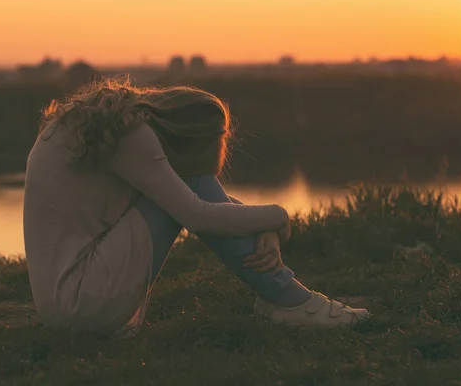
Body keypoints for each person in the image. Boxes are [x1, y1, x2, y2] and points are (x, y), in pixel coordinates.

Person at [23, 79, 370, 338]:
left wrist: (262, 227)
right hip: (83, 302)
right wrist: (278, 216)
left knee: (187, 191)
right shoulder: (133, 136)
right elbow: (196, 212)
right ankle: (289, 300)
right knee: (189, 184)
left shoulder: (104, 122)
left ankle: (280, 296)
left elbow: (205, 208)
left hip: (65, 304)